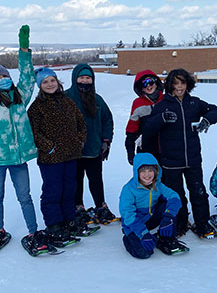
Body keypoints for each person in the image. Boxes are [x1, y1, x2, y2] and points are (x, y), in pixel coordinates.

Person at [0, 26, 47, 253]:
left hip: (19, 157)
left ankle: (33, 231)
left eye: (5, 76)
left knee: (25, 196)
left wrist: (24, 49)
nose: (3, 79)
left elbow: (27, 76)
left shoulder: (20, 97)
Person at [143, 68, 217, 238]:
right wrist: (161, 118)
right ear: (170, 85)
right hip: (171, 162)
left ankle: (202, 224)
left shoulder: (193, 103)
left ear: (188, 84)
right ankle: (180, 223)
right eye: (176, 83)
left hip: (193, 159)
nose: (179, 87)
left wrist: (207, 120)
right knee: (177, 196)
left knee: (199, 193)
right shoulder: (162, 106)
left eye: (183, 83)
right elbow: (148, 129)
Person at [27, 67, 89, 246]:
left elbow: (80, 123)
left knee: (69, 187)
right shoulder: (37, 107)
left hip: (71, 154)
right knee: (53, 190)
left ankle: (68, 219)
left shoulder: (68, 101)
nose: (50, 84)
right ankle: (54, 224)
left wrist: (80, 140)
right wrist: (49, 147)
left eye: (52, 80)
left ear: (57, 81)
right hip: (51, 158)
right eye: (45, 82)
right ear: (40, 85)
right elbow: (34, 132)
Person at [65, 64, 116, 225]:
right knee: (76, 179)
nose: (85, 81)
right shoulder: (66, 98)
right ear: (75, 78)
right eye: (82, 78)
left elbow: (108, 120)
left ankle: (100, 206)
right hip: (74, 151)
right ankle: (77, 206)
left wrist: (106, 141)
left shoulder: (97, 99)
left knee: (96, 179)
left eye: (88, 78)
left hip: (94, 149)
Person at [119, 153, 188, 259]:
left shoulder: (158, 185)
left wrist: (168, 217)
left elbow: (174, 197)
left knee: (169, 205)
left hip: (151, 219)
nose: (147, 175)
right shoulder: (128, 189)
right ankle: (129, 238)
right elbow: (128, 216)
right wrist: (143, 234)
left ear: (156, 171)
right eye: (143, 171)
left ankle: (166, 239)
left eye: (150, 170)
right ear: (137, 172)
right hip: (134, 223)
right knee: (145, 253)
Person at [125, 70, 164, 165]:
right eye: (144, 84)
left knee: (167, 178)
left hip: (166, 149)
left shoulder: (166, 99)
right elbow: (131, 129)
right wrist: (130, 152)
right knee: (148, 178)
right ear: (140, 88)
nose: (148, 86)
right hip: (146, 149)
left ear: (156, 83)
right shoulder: (138, 103)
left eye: (150, 82)